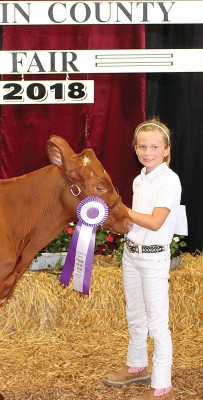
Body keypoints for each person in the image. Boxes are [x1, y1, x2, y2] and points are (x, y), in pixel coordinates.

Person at [103, 117, 188, 400]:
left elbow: (155, 222)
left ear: (166, 150)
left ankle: (162, 383)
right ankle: (137, 365)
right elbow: (138, 223)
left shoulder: (169, 180)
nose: (147, 152)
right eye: (142, 146)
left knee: (157, 322)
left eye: (154, 147)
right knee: (135, 315)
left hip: (153, 259)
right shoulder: (140, 179)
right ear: (135, 148)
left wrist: (121, 209)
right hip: (132, 255)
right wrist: (118, 222)